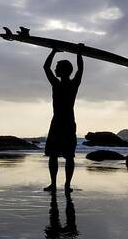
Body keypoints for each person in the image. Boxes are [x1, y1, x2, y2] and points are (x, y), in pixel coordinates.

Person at [43, 44, 84, 193]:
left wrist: (53, 51)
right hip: (67, 122)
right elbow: (80, 70)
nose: (55, 69)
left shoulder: (57, 84)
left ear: (62, 71)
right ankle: (65, 186)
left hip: (60, 122)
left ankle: (56, 185)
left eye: (57, 67)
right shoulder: (73, 84)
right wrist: (79, 53)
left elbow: (45, 67)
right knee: (68, 156)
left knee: (56, 155)